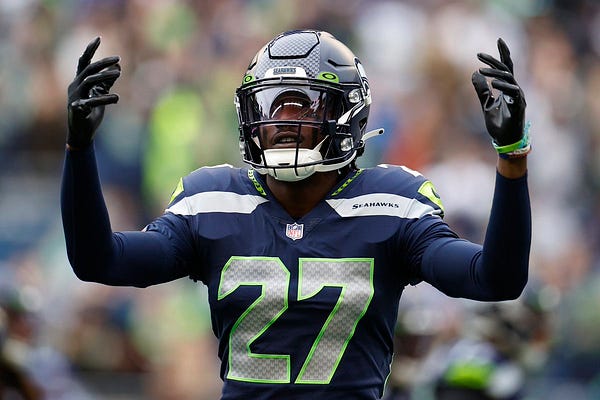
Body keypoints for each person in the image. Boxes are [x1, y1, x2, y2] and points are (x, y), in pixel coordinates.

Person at [61, 30, 531, 399]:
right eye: (269, 107)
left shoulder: (392, 202)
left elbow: (494, 279)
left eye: (301, 107)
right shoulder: (213, 199)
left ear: (347, 116)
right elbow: (98, 260)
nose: (281, 123)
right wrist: (79, 149)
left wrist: (511, 155)